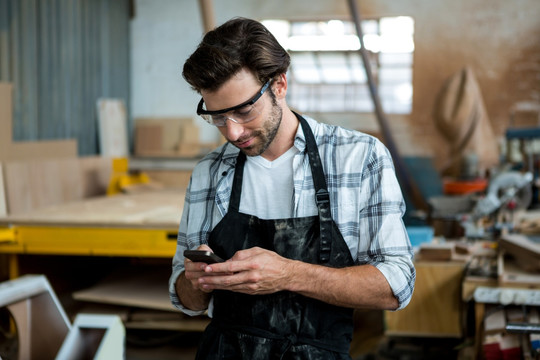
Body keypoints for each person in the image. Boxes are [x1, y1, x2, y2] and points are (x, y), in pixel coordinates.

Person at [169, 17, 415, 359]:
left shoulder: (359, 157)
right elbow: (186, 300)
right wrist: (195, 281)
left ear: (279, 85)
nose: (233, 132)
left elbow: (396, 286)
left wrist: (288, 274)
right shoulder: (209, 172)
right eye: (218, 117)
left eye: (244, 111)